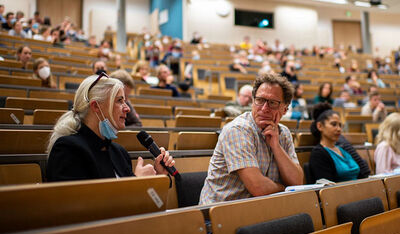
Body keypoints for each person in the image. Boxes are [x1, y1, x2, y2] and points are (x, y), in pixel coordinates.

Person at [46, 73, 175, 181]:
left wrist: (158, 177)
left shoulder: (119, 153)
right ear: (96, 106)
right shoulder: (67, 149)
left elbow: (137, 206)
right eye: (119, 101)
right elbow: (80, 207)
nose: (127, 108)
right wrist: (135, 182)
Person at [199, 73, 303, 204]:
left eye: (272, 103)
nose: (264, 108)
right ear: (253, 101)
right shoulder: (238, 130)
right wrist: (286, 189)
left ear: (285, 109)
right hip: (219, 215)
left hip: (258, 210)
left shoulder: (284, 132)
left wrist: (276, 147)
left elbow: (297, 181)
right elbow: (258, 187)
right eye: (260, 100)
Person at [309, 103, 363, 183]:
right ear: (320, 126)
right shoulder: (318, 154)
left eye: (340, 125)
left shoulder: (343, 149)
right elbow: (328, 189)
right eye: (333, 124)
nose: (338, 129)